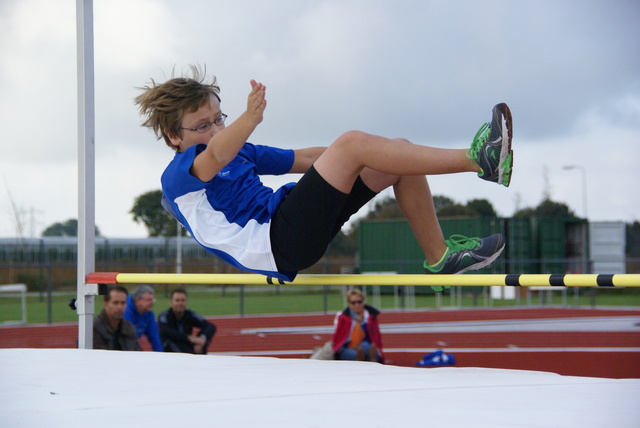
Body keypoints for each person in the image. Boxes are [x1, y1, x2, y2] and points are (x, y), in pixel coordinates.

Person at [135, 66, 512, 287]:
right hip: (274, 243)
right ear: (173, 136)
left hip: (293, 223)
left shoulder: (242, 151)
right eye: (202, 126)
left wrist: (364, 151)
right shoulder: (179, 177)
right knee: (351, 145)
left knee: (393, 153)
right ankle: (478, 159)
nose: (216, 130)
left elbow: (311, 158)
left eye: (220, 119)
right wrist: (250, 119)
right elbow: (216, 154)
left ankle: (440, 256)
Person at [157, 289, 217, 354]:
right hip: (170, 349)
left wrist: (202, 338)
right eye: (177, 300)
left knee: (203, 341)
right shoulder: (165, 315)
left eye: (183, 300)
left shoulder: (189, 314)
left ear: (186, 302)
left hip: (186, 345)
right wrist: (188, 337)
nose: (180, 303)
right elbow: (164, 330)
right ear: (171, 303)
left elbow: (210, 326)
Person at [332, 289, 384, 362]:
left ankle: (370, 357)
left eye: (360, 302)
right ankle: (363, 358)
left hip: (364, 344)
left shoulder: (370, 315)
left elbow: (376, 334)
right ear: (349, 303)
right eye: (353, 302)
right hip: (347, 346)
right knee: (352, 354)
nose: (357, 305)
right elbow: (339, 336)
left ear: (363, 302)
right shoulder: (342, 317)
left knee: (367, 347)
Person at [93, 284, 141, 351]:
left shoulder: (129, 328)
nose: (119, 307)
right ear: (105, 304)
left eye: (123, 303)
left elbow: (137, 354)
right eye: (115, 303)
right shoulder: (93, 328)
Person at [123, 285, 163, 352]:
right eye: (149, 300)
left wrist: (161, 356)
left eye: (152, 300)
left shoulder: (148, 313)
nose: (152, 303)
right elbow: (125, 340)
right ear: (138, 300)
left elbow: (154, 337)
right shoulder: (126, 312)